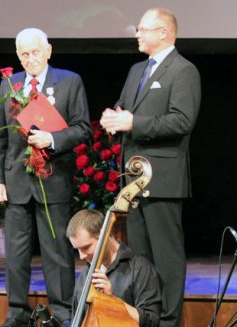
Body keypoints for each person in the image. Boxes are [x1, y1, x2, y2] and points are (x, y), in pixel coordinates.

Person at [99, 8, 200, 327]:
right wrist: (114, 117)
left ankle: (169, 320)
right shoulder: (136, 70)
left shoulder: (183, 70)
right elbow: (126, 108)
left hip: (163, 178)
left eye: (144, 29)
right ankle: (147, 316)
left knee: (166, 257)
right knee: (139, 257)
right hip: (134, 179)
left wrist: (134, 122)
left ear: (165, 33)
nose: (137, 34)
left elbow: (182, 121)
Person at [0, 28, 90, 326]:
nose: (30, 59)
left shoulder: (69, 82)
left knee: (57, 251)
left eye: (35, 52)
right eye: (24, 54)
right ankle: (16, 313)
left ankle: (62, 313)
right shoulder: (9, 85)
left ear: (48, 50)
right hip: (17, 181)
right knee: (15, 255)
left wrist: (52, 139)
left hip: (53, 179)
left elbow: (82, 128)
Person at [68, 209, 162, 327]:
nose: (81, 256)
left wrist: (113, 300)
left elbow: (151, 322)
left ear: (105, 235)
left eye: (86, 247)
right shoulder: (85, 275)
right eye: (77, 250)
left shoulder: (141, 269)